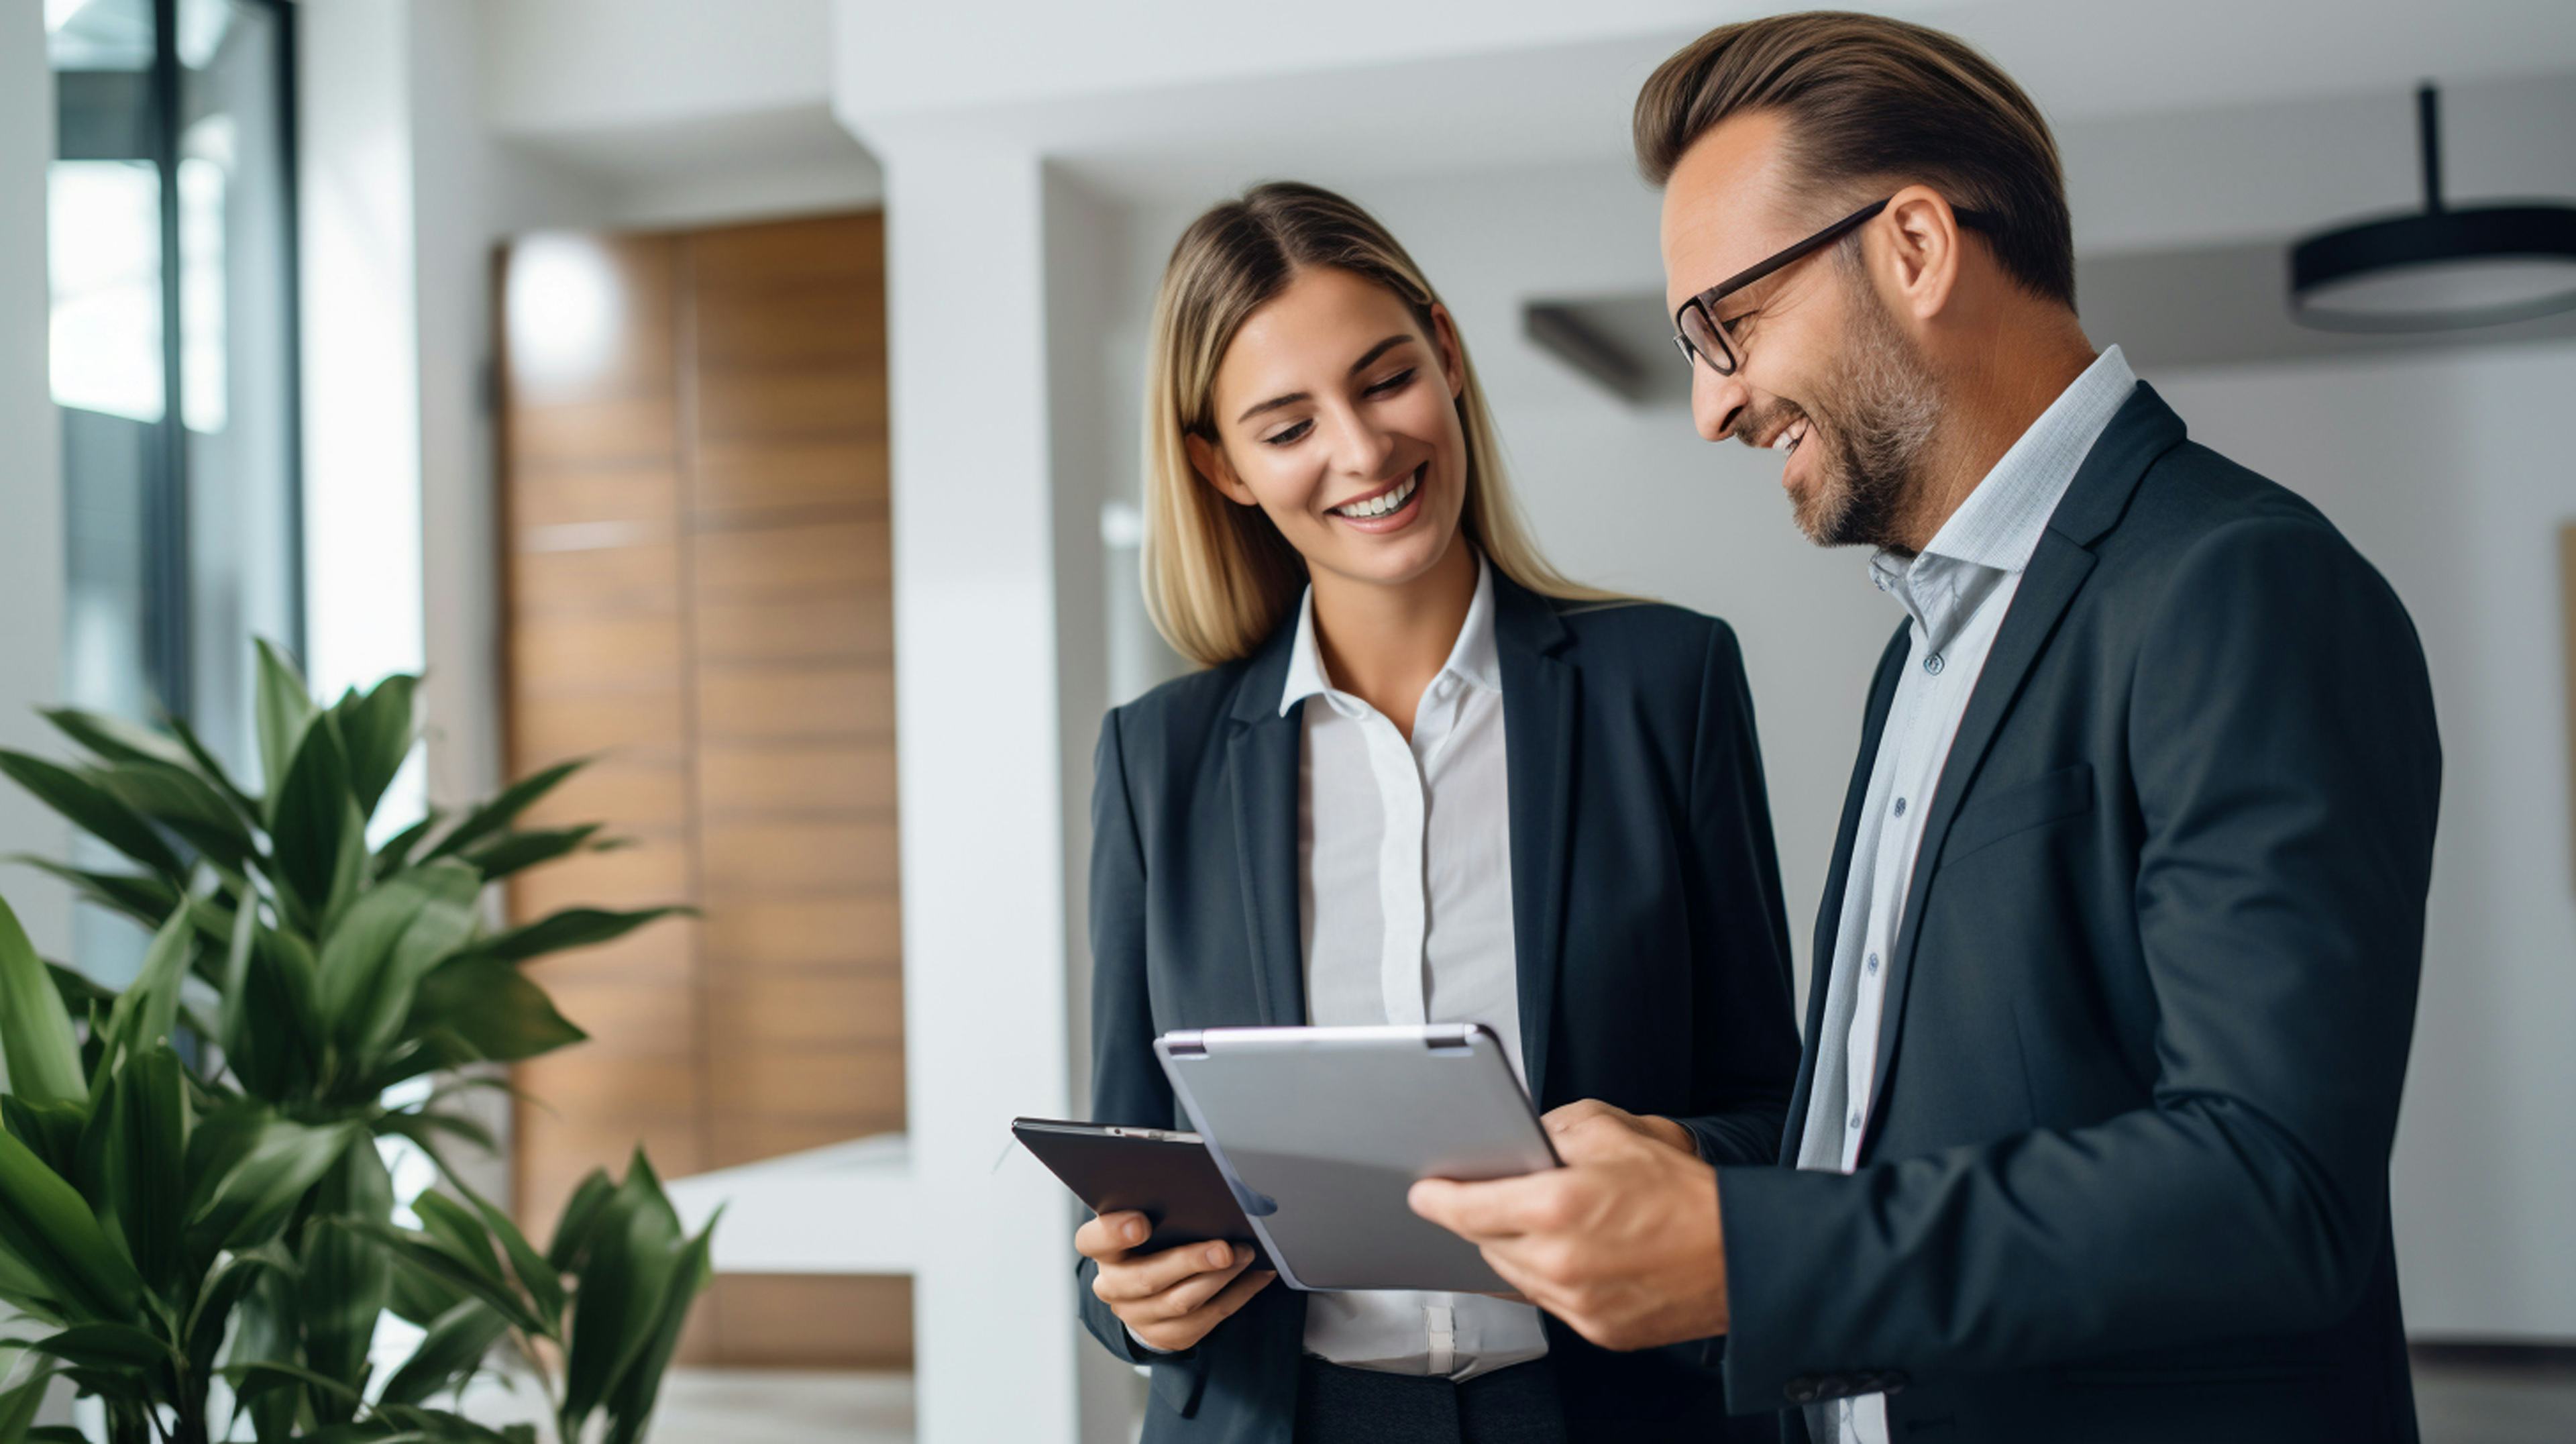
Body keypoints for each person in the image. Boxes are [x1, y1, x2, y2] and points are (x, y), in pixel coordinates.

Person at [1409, 14, 2443, 1444]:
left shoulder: (2237, 583)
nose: (1711, 404)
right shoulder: (1932, 645)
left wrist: (1742, 1248)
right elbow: (1924, 1124)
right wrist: (1696, 1168)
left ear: (1914, 247)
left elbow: (2269, 1184)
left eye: (1731, 323)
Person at [1073, 181, 1804, 1444]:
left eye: (1384, 380)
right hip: (1287, 1415)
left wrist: (1658, 1144)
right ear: (1222, 468)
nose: (1361, 453)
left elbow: (1781, 1111)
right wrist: (1129, 1298)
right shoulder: (1160, 761)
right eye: (1287, 424)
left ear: (1448, 354)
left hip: (1611, 1413)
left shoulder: (1666, 684)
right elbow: (1131, 1180)